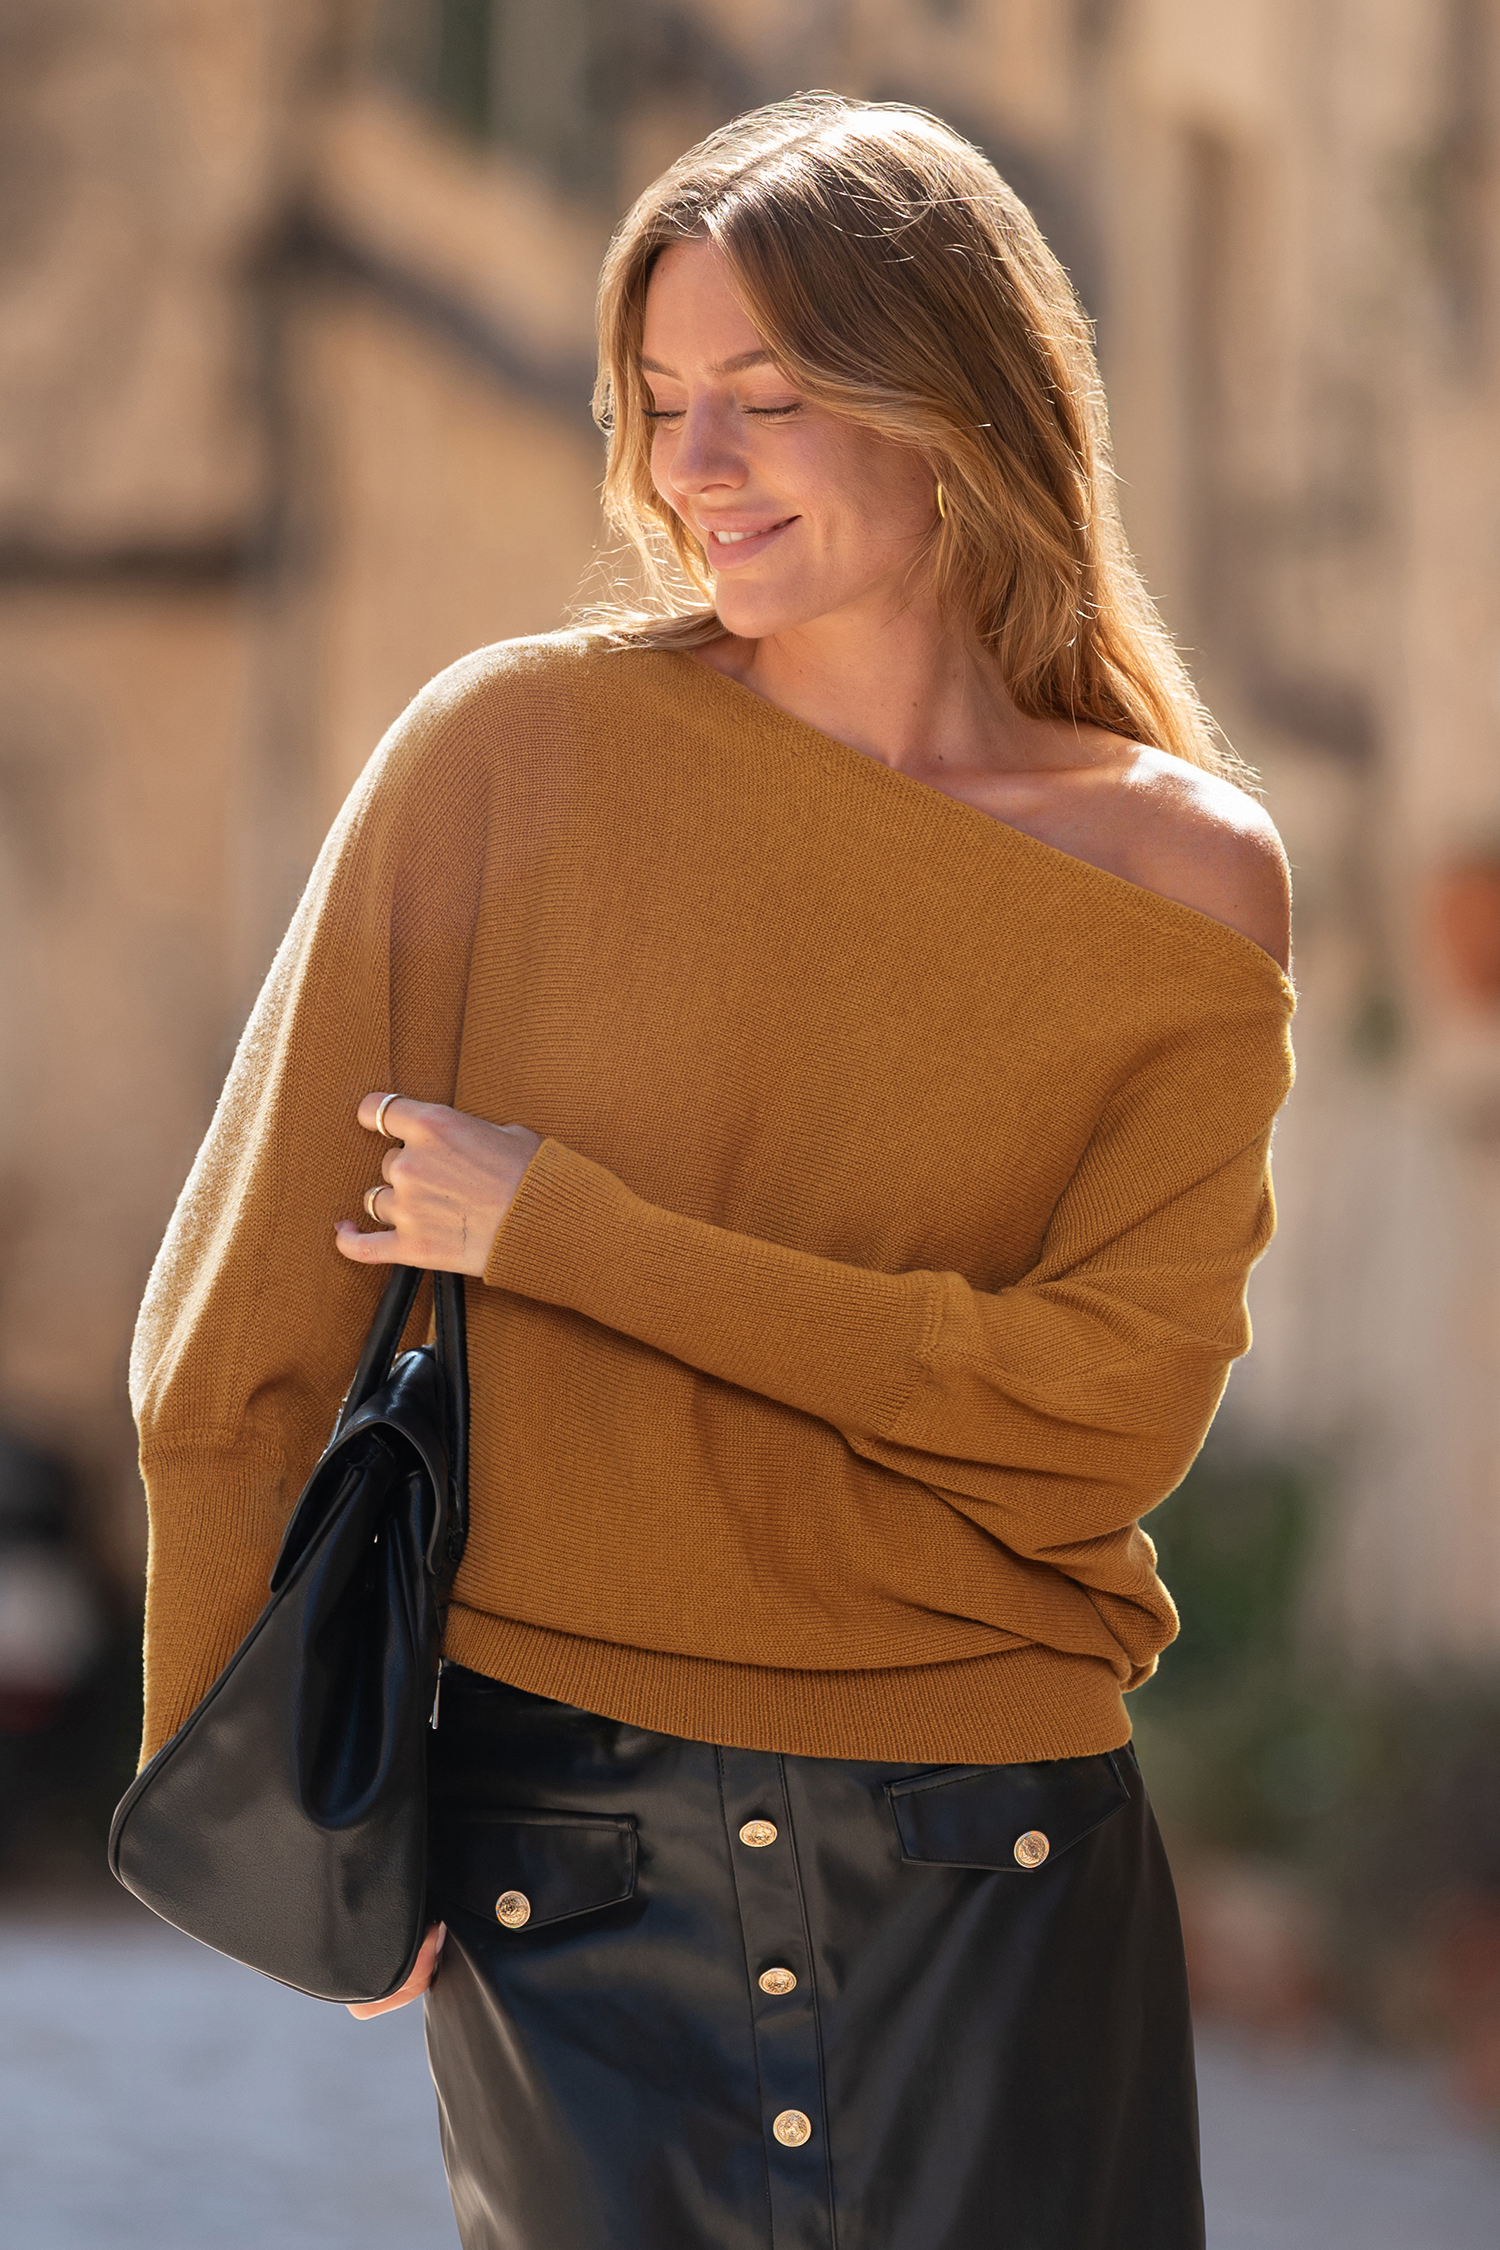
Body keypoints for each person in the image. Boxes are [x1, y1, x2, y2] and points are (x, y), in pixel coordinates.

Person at [131, 94, 1293, 2250]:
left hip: (1001, 1858)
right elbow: (236, 1349)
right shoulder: (504, 761)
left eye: (768, 396)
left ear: (956, 404)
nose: (695, 464)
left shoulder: (1184, 879)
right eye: (662, 402)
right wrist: (305, 1829)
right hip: (565, 1840)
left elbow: (1094, 1424)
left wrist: (573, 1236)